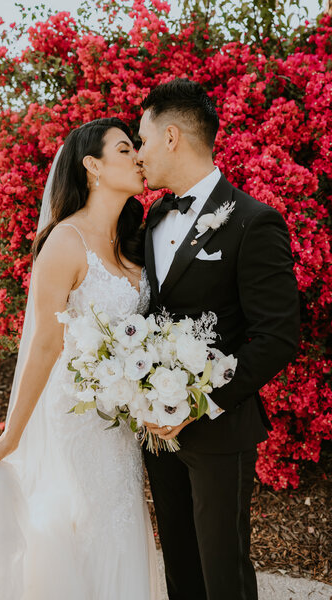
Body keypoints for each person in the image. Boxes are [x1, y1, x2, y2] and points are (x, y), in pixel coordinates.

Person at [0, 117, 162, 600]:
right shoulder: (64, 241)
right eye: (125, 149)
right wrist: (10, 435)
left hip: (120, 420)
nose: (138, 157)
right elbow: (44, 343)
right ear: (92, 166)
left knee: (121, 521)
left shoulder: (135, 243)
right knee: (86, 526)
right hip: (77, 418)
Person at [137, 78, 300, 600]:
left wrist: (199, 402)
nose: (138, 153)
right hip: (158, 434)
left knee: (223, 573)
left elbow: (277, 338)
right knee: (180, 569)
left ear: (170, 137)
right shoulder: (154, 217)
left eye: (141, 139)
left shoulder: (254, 222)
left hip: (220, 431)